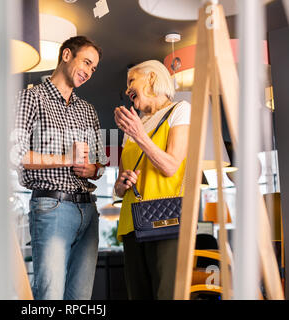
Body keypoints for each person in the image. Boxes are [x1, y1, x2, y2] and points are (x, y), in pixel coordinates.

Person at [12, 36, 108, 300]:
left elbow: (100, 163)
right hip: (52, 208)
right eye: (86, 62)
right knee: (50, 295)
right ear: (67, 55)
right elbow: (15, 154)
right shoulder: (31, 98)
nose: (89, 71)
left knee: (81, 297)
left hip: (89, 210)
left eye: (94, 68)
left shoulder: (88, 110)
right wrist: (68, 158)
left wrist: (92, 169)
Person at [113, 60, 191, 300]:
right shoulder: (133, 126)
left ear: (152, 79)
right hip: (132, 221)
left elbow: (170, 166)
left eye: (131, 81)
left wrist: (139, 134)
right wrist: (121, 182)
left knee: (166, 294)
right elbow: (118, 188)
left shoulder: (179, 110)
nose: (127, 90)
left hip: (165, 219)